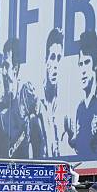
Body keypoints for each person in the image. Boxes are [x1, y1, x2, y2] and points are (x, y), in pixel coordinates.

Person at [0, 38, 45, 158]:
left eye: (6, 66)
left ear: (15, 69)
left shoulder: (27, 98)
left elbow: (40, 143)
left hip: (25, 174)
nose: (3, 72)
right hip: (4, 174)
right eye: (2, 66)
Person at [39, 28, 64, 157]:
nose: (55, 64)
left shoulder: (64, 105)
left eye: (59, 58)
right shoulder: (37, 102)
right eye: (52, 57)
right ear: (45, 60)